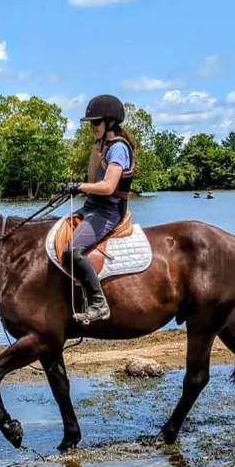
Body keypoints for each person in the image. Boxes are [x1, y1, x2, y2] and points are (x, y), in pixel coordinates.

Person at [63, 94, 136, 324]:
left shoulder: (117, 149)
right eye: (91, 123)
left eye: (96, 122)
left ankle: (99, 304)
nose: (92, 127)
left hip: (107, 211)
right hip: (91, 207)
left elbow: (108, 186)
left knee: (72, 250)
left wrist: (80, 186)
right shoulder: (101, 145)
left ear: (110, 122)